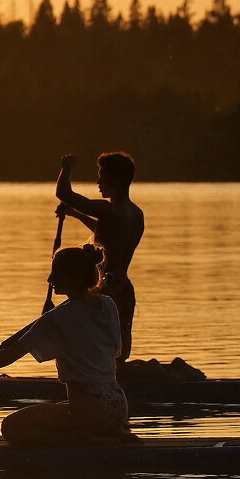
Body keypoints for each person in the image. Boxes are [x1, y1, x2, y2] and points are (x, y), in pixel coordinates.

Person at [0, 244, 136, 448]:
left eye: (56, 273)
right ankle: (111, 432)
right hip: (118, 407)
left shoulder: (58, 317)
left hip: (90, 412)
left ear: (74, 276)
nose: (49, 279)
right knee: (59, 409)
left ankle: (84, 439)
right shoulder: (108, 304)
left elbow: (10, 354)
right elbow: (114, 349)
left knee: (11, 427)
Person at [54, 152, 144, 363]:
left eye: (101, 176)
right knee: (118, 350)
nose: (98, 182)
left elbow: (63, 193)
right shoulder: (135, 213)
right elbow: (107, 233)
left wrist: (67, 167)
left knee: (90, 343)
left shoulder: (107, 209)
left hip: (105, 290)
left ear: (115, 180)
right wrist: (77, 215)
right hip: (124, 288)